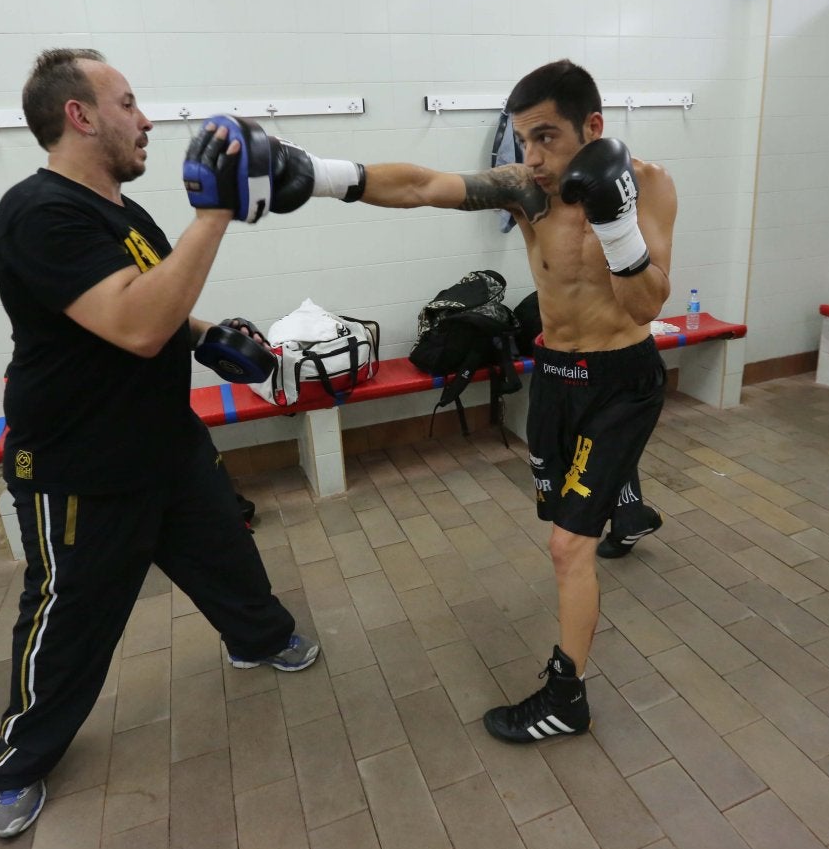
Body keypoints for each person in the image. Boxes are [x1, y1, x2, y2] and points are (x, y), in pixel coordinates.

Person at [236, 59, 675, 742]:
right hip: (555, 375)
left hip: (622, 379)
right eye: (523, 139)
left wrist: (616, 226)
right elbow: (422, 185)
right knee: (564, 511)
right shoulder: (527, 191)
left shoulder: (648, 185)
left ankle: (567, 697)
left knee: (567, 546)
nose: (532, 157)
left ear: (593, 127)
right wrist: (319, 174)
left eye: (547, 138)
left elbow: (648, 303)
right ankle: (622, 503)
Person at [0, 49, 319, 838]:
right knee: (69, 618)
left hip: (165, 441)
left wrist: (206, 335)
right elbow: (133, 325)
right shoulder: (39, 213)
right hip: (79, 466)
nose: (147, 120)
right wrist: (215, 214)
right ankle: (19, 760)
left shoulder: (125, 214)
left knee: (226, 552)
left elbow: (150, 299)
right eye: (128, 103)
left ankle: (260, 638)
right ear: (79, 115)